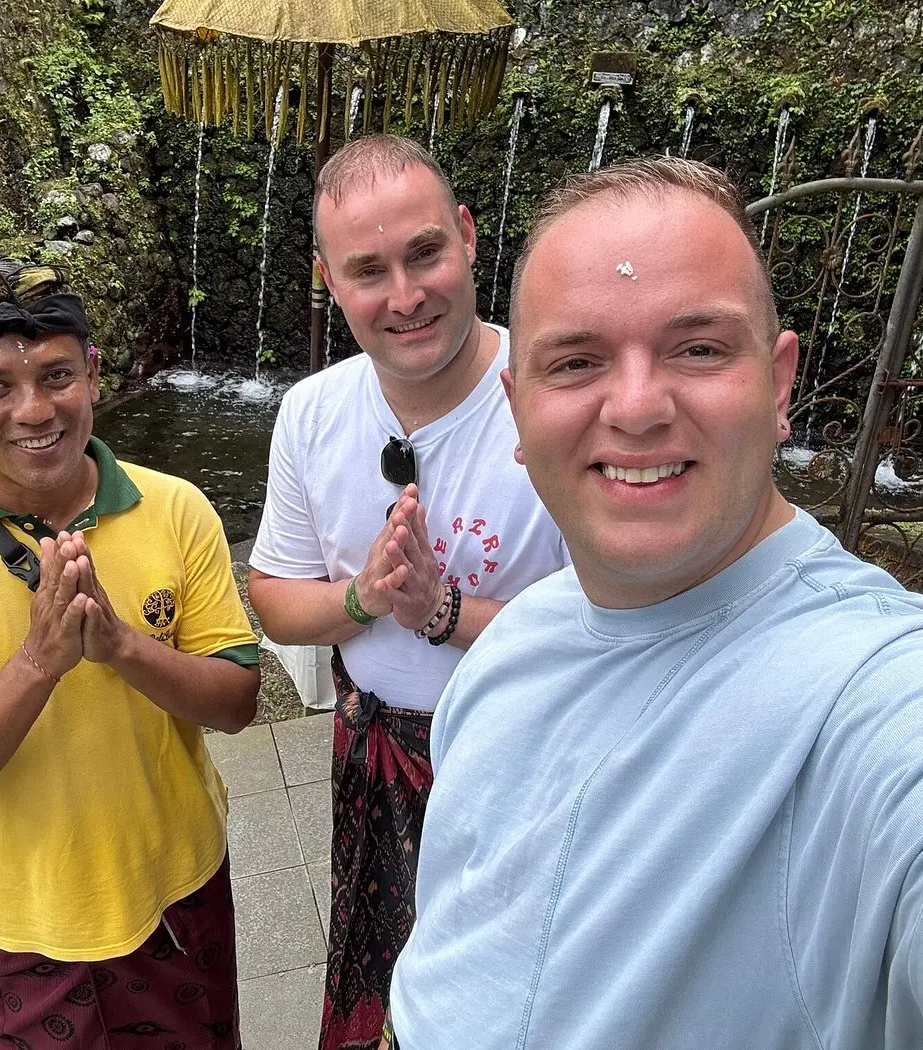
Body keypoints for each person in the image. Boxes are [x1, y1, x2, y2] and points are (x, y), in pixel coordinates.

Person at [386, 156, 923, 1050]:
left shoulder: (887, 703)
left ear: (778, 385)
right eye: (575, 362)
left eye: (698, 349)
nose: (636, 407)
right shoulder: (513, 643)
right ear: (518, 410)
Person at [0, 244, 261, 1050]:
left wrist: (122, 647)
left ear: (94, 375)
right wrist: (38, 663)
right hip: (26, 922)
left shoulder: (175, 508)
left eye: (57, 376)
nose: (35, 411)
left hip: (177, 888)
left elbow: (237, 702)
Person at [247, 136, 568, 1050]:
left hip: (525, 768)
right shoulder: (312, 411)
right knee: (377, 983)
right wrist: (365, 599)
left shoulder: (557, 397)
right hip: (372, 758)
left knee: (509, 1007)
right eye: (367, 270)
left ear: (467, 236)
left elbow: (623, 630)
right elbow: (274, 595)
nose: (405, 296)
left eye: (425, 253)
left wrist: (443, 612)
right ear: (328, 281)